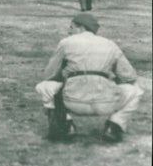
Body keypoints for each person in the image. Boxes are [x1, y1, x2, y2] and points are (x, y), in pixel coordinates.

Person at [35, 13, 143, 143]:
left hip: (73, 101)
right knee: (135, 90)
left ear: (81, 27)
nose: (69, 31)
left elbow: (49, 74)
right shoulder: (110, 44)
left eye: (71, 27)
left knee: (44, 86)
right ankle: (114, 126)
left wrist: (65, 77)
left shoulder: (66, 42)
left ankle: (65, 125)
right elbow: (129, 76)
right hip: (105, 102)